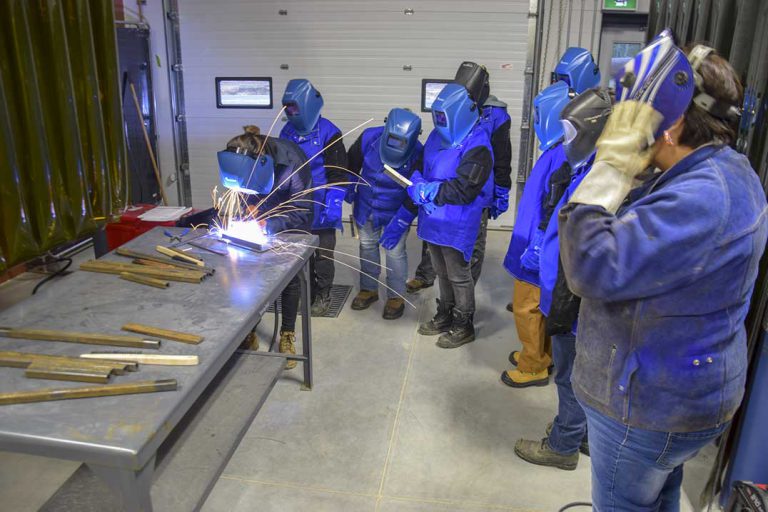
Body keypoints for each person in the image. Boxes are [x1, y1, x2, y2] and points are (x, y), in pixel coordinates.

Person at [559, 32, 767, 510]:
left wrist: (611, 166)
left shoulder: (703, 199)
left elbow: (590, 265)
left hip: (648, 409)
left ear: (670, 130)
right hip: (679, 400)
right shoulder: (725, 169)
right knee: (658, 495)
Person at [514, 88, 612, 470]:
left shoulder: (602, 177)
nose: (565, 140)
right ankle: (583, 435)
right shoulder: (585, 167)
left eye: (570, 132)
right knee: (579, 371)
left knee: (571, 375)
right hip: (565, 287)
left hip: (575, 297)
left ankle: (563, 445)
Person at [406, 63, 512, 291]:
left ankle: (465, 289)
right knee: (434, 236)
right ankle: (426, 275)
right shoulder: (452, 107)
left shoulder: (496, 115)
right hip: (443, 184)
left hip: (474, 187)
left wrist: (501, 191)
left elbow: (501, 156)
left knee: (471, 244)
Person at [219, 125, 313, 369]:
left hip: (288, 224)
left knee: (290, 278)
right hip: (258, 221)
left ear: (262, 162)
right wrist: (244, 210)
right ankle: (248, 330)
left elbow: (303, 211)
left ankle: (287, 334)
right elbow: (238, 193)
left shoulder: (293, 162)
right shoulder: (240, 158)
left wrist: (269, 222)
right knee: (246, 274)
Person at [411, 83, 494, 348]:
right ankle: (444, 315)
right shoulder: (437, 136)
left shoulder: (478, 144)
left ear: (459, 114)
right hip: (433, 218)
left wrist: (434, 190)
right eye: (437, 117)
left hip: (458, 221)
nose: (439, 122)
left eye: (444, 117)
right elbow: (420, 166)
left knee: (458, 274)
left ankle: (463, 324)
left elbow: (466, 188)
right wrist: (415, 184)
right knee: (440, 271)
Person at [500, 80, 571, 387]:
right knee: (541, 304)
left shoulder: (561, 155)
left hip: (536, 245)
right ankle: (541, 354)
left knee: (526, 305)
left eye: (541, 115)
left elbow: (553, 202)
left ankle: (532, 366)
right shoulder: (560, 150)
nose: (537, 122)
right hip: (536, 240)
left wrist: (540, 242)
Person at [346, 108, 423, 319]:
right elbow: (351, 163)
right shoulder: (369, 137)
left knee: (395, 252)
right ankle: (369, 288)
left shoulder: (418, 150)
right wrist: (348, 187)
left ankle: (396, 295)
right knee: (367, 245)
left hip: (396, 211)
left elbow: (417, 190)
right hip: (366, 205)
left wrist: (403, 219)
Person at [280, 79, 348, 316]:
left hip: (322, 204)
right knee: (299, 254)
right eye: (287, 108)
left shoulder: (330, 132)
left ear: (308, 105)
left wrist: (335, 202)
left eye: (294, 108)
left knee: (322, 255)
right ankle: (303, 292)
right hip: (296, 205)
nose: (290, 112)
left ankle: (323, 295)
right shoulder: (286, 131)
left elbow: (340, 173)